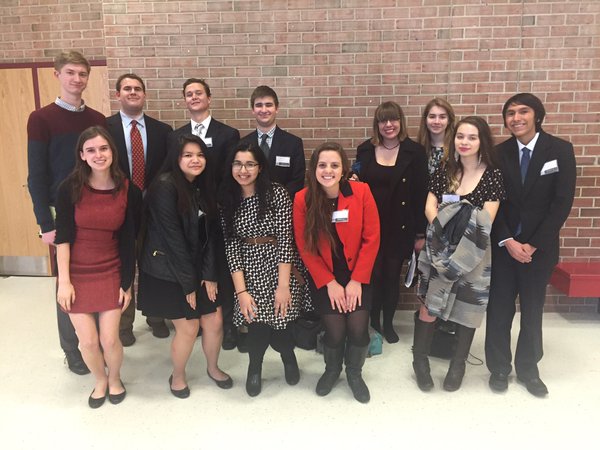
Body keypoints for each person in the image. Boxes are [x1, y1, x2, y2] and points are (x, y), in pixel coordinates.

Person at [485, 93, 576, 397]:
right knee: (499, 308)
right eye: (510, 113)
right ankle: (498, 368)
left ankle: (528, 369)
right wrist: (509, 240)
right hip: (504, 245)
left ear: (537, 115)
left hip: (541, 248)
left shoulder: (560, 150)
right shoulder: (498, 154)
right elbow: (492, 202)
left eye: (523, 111)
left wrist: (533, 244)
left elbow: (562, 203)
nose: (516, 118)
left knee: (533, 308)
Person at [27, 50, 106, 375]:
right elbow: (37, 175)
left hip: (96, 211)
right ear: (57, 74)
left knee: (99, 276)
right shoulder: (42, 119)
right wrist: (44, 222)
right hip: (62, 214)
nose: (77, 79)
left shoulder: (98, 120)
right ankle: (72, 350)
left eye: (82, 74)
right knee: (67, 282)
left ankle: (97, 342)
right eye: (70, 72)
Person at [414, 116, 505, 392]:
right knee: (430, 304)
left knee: (467, 307)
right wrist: (442, 229)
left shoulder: (492, 174)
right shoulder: (445, 169)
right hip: (439, 248)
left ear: (482, 141)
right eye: (461, 137)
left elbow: (486, 218)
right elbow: (430, 205)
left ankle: (458, 364)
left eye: (472, 137)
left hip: (473, 252)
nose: (464, 142)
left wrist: (453, 223)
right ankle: (420, 361)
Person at [137, 134, 232, 398]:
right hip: (167, 269)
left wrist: (210, 275)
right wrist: (190, 283)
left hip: (198, 268)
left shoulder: (202, 186)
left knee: (214, 320)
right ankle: (177, 376)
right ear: (176, 158)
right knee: (189, 327)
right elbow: (173, 240)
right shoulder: (164, 187)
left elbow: (212, 234)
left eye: (200, 155)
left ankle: (213, 368)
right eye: (188, 155)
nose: (195, 160)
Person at [54, 126, 141, 408]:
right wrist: (64, 281)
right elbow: (63, 238)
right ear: (82, 155)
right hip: (76, 272)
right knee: (89, 342)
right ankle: (100, 380)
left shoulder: (129, 190)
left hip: (111, 268)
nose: (98, 154)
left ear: (112, 152)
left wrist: (126, 283)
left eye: (103, 148)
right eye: (90, 150)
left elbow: (130, 241)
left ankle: (114, 379)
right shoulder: (68, 188)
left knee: (109, 339)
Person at [219, 141, 309, 397]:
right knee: (256, 324)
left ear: (260, 167)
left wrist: (283, 286)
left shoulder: (276, 193)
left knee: (280, 325)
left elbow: (285, 238)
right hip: (247, 268)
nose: (243, 170)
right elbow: (231, 247)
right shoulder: (227, 198)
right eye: (238, 163)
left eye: (250, 164)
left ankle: (288, 356)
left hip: (280, 266)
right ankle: (254, 367)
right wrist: (241, 292)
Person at [294, 142, 380, 403]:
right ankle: (332, 370)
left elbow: (372, 237)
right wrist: (328, 282)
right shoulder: (303, 198)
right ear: (314, 168)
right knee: (335, 332)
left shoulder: (361, 192)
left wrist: (356, 280)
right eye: (322, 165)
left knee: (357, 329)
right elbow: (305, 247)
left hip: (358, 273)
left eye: (334, 165)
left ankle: (354, 373)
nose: (328, 170)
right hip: (325, 276)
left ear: (343, 169)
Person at [171, 78, 241, 350]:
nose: (194, 97)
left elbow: (230, 175)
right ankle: (197, 315)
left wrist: (218, 204)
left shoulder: (228, 134)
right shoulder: (175, 136)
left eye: (199, 93)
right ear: (184, 101)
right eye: (189, 94)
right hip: (189, 212)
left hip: (218, 209)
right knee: (195, 261)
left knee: (222, 267)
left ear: (209, 98)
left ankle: (228, 324)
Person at [106, 73, 173, 346]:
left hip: (153, 209)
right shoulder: (105, 127)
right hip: (118, 206)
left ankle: (156, 315)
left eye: (137, 89)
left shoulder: (163, 131)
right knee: (124, 263)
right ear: (118, 95)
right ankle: (124, 322)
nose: (132, 92)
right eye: (127, 88)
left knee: (153, 260)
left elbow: (166, 169)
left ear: (144, 95)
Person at [354, 101, 428, 343]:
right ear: (377, 124)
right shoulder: (365, 150)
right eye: (383, 120)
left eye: (393, 119)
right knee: (372, 275)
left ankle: (388, 323)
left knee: (391, 276)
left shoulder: (414, 152)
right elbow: (356, 185)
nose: (388, 125)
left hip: (400, 226)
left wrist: (420, 233)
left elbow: (420, 194)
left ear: (401, 122)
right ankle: (372, 320)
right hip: (370, 227)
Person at [239, 85, 306, 199]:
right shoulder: (242, 144)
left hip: (282, 207)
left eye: (268, 105)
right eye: (259, 105)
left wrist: (278, 200)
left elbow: (297, 180)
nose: (264, 110)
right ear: (253, 110)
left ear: (277, 108)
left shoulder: (293, 143)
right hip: (250, 206)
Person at [417, 98, 456, 175]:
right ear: (425, 120)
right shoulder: (418, 148)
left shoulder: (456, 149)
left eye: (442, 117)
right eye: (432, 117)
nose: (437, 122)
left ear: (449, 121)